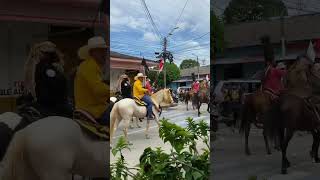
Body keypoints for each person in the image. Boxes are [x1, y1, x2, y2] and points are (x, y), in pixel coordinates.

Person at [23, 41, 73, 118]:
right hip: (52, 104)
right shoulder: (47, 68)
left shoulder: (44, 67)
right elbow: (56, 87)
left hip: (48, 103)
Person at [74, 36, 109, 126]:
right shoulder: (90, 66)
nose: (104, 54)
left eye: (104, 51)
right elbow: (98, 89)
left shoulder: (91, 65)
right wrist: (112, 91)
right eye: (100, 51)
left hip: (95, 107)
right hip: (93, 110)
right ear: (91, 52)